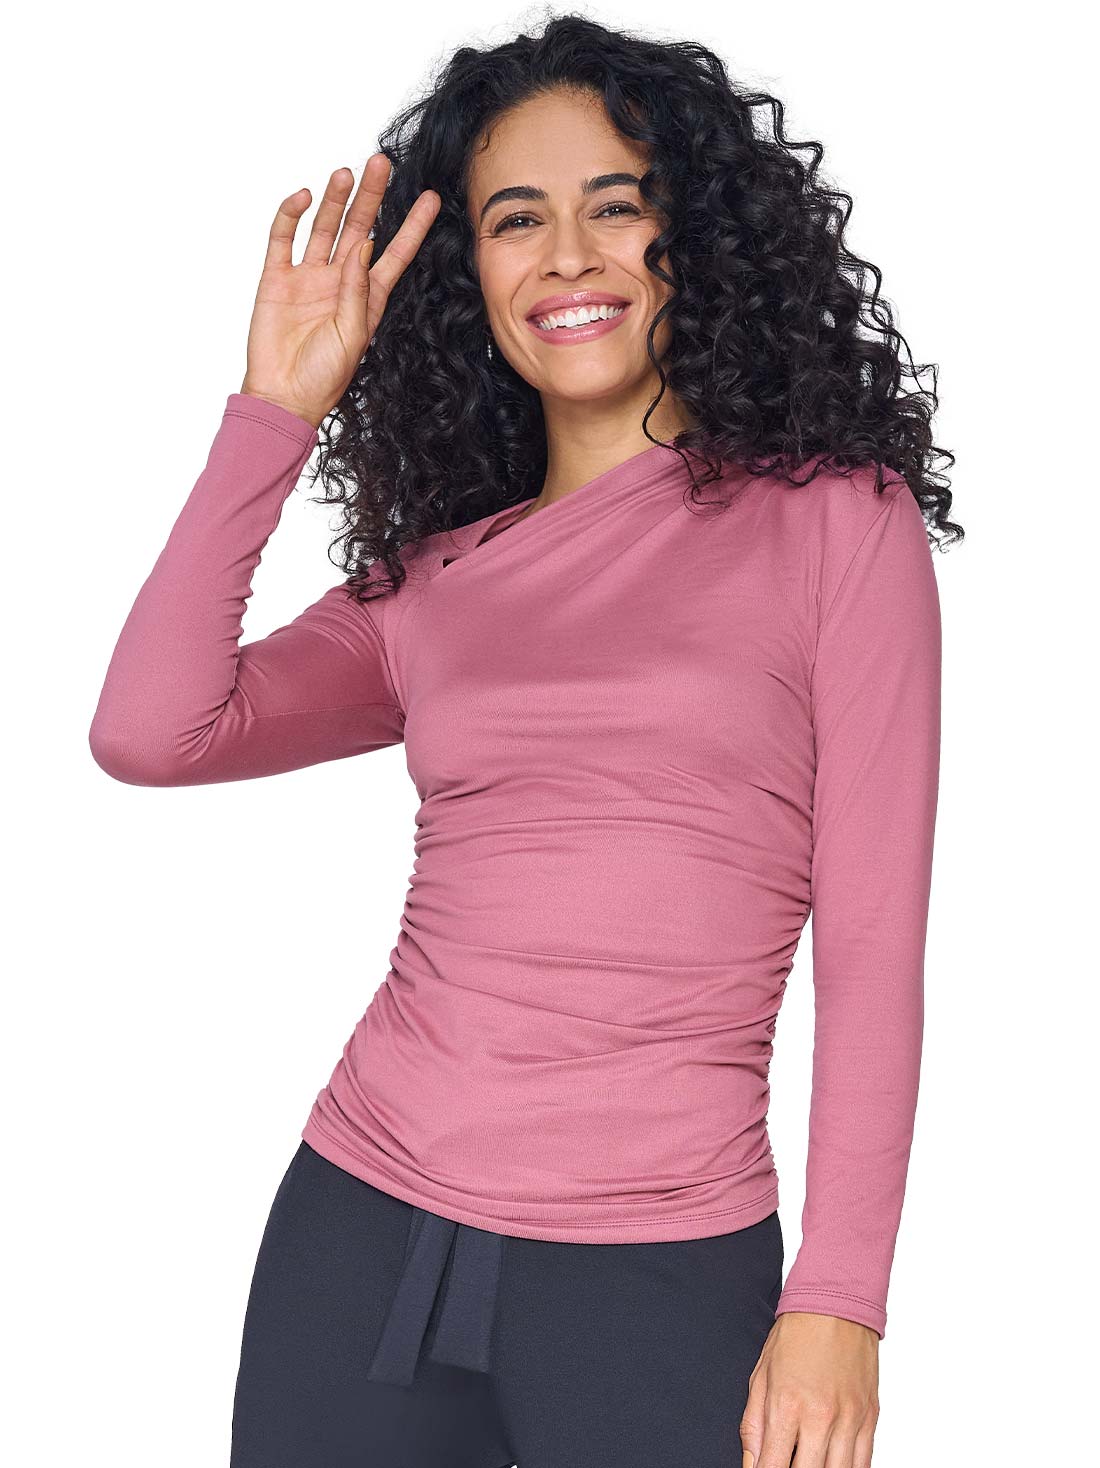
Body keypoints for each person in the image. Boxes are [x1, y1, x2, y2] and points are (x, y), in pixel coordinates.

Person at [87, 14, 959, 1468]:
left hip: (659, 1267)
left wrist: (841, 1302)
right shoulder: (434, 585)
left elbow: (872, 944)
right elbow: (152, 730)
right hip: (361, 1225)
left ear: (697, 236)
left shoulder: (836, 526)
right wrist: (274, 412)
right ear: (468, 275)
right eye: (514, 220)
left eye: (615, 205)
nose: (565, 256)